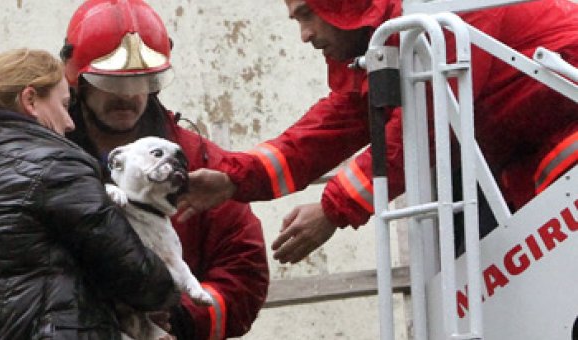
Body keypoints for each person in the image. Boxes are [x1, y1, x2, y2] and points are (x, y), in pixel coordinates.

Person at [178, 0, 578, 263]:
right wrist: (235, 178)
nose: (304, 35)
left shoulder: (443, 10)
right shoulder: (388, 37)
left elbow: (427, 125)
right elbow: (332, 128)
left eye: (306, 14)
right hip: (533, 167)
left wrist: (333, 209)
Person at [60, 1, 270, 339]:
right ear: (78, 81)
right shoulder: (46, 160)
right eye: (110, 84)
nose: (127, 97)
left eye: (141, 82)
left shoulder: (195, 162)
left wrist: (181, 316)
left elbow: (245, 271)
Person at [0, 48, 179, 339]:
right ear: (30, 100)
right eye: (64, 105)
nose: (70, 123)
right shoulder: (53, 162)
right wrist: (167, 294)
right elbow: (129, 266)